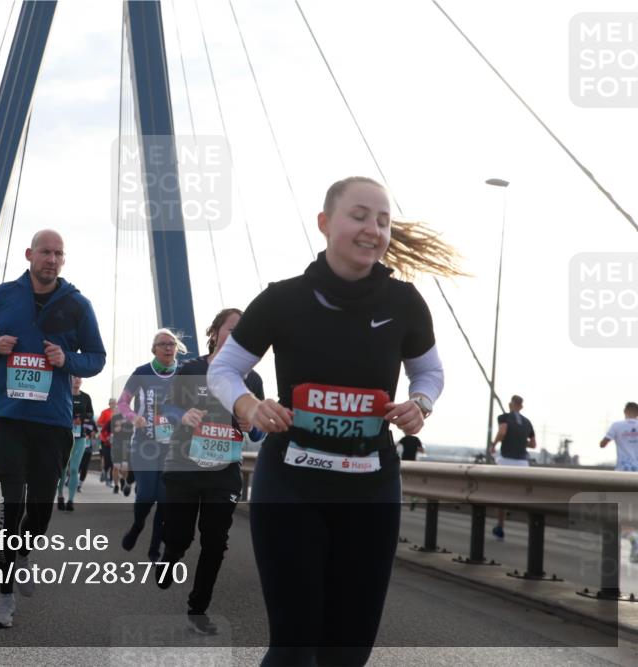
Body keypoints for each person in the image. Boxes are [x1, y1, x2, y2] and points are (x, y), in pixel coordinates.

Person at [208, 176, 454, 665]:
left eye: (383, 221)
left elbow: (429, 372)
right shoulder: (282, 299)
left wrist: (420, 402)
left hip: (370, 488)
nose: (373, 230)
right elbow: (224, 368)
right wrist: (250, 407)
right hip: (290, 485)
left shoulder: (404, 303)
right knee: (295, 647)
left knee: (348, 651)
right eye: (359, 216)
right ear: (324, 223)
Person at [0, 229, 106, 629]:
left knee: (41, 509)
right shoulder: (3, 295)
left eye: (58, 253)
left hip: (53, 421)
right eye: (45, 252)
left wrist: (67, 359)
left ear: (63, 260)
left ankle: (25, 552)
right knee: (12, 505)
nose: (51, 259)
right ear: (29, 254)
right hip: (9, 418)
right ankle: (4, 598)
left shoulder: (78, 304)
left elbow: (96, 357)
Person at [157, 307, 264, 635]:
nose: (236, 335)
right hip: (184, 468)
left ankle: (198, 610)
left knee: (215, 542)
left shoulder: (252, 379)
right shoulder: (191, 369)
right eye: (231, 328)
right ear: (215, 333)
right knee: (180, 537)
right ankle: (171, 554)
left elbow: (259, 431)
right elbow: (167, 407)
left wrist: (252, 424)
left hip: (224, 471)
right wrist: (183, 415)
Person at [117, 329, 185, 562]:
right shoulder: (142, 373)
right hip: (144, 443)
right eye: (162, 343)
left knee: (164, 501)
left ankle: (155, 549)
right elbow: (123, 402)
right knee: (146, 495)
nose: (168, 347)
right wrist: (133, 417)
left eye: (172, 343)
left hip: (172, 447)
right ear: (154, 349)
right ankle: (137, 526)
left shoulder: (184, 373)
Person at [488, 394, 536, 538]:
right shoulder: (527, 422)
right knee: (525, 496)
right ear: (521, 406)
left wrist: (494, 444)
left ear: (510, 404)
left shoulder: (503, 417)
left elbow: (502, 432)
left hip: (506, 461)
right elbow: (533, 444)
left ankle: (500, 526)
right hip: (523, 463)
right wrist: (520, 441)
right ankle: (533, 528)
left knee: (501, 495)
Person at [599, 401, 638, 563]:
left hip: (622, 474)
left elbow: (602, 444)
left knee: (621, 513)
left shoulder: (617, 426)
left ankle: (634, 540)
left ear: (625, 411)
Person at [57, 376, 94, 511]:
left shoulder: (86, 397)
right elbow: (57, 411)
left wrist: (81, 419)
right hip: (63, 437)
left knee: (74, 469)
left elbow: (90, 414)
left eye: (79, 378)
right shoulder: (63, 394)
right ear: (69, 379)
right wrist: (70, 418)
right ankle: (60, 495)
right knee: (62, 469)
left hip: (80, 437)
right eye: (74, 377)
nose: (77, 380)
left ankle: (71, 500)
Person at [97, 398, 115, 485]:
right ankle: (104, 471)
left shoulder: (118, 413)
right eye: (112, 403)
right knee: (104, 457)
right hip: (103, 439)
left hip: (114, 440)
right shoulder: (105, 412)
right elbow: (98, 423)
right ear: (109, 404)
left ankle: (110, 478)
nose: (113, 404)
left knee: (113, 460)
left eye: (114, 403)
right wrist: (106, 425)